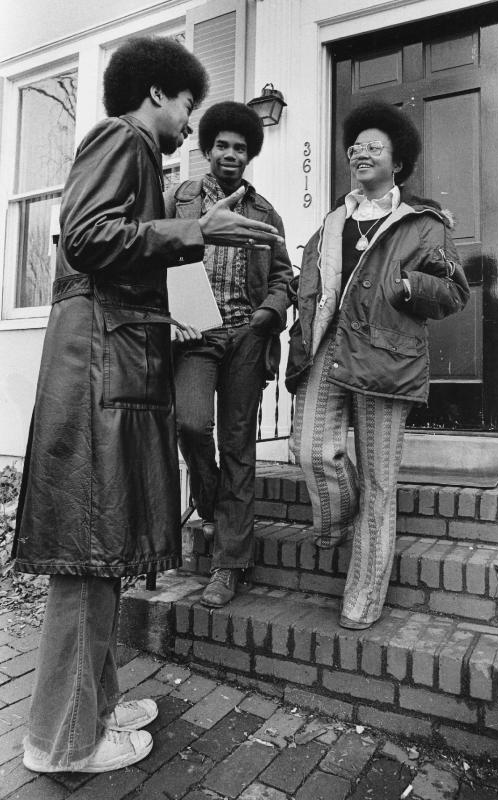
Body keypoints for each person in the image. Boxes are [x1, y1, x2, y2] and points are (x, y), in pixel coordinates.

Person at [12, 37, 284, 775]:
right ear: (158, 93)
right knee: (87, 553)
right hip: (98, 373)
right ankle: (62, 739)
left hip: (110, 367)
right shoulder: (120, 138)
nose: (190, 122)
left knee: (99, 551)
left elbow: (119, 251)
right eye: (189, 106)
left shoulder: (140, 156)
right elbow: (90, 235)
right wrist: (199, 229)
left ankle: (93, 705)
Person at [286, 100, 469, 630]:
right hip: (329, 351)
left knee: (380, 482)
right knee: (308, 449)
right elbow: (312, 289)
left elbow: (454, 291)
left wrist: (409, 284)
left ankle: (363, 598)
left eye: (373, 147)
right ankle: (339, 516)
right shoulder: (331, 222)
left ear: (398, 163)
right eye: (355, 147)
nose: (360, 153)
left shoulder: (422, 224)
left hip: (387, 358)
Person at [165, 101, 292, 609]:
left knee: (238, 446)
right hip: (195, 335)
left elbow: (284, 276)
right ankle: (209, 498)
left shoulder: (265, 213)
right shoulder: (181, 199)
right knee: (191, 425)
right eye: (222, 145)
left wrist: (269, 313)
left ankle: (228, 564)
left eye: (241, 148)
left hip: (245, 337)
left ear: (250, 154)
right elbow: (153, 254)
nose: (230, 154)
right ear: (208, 148)